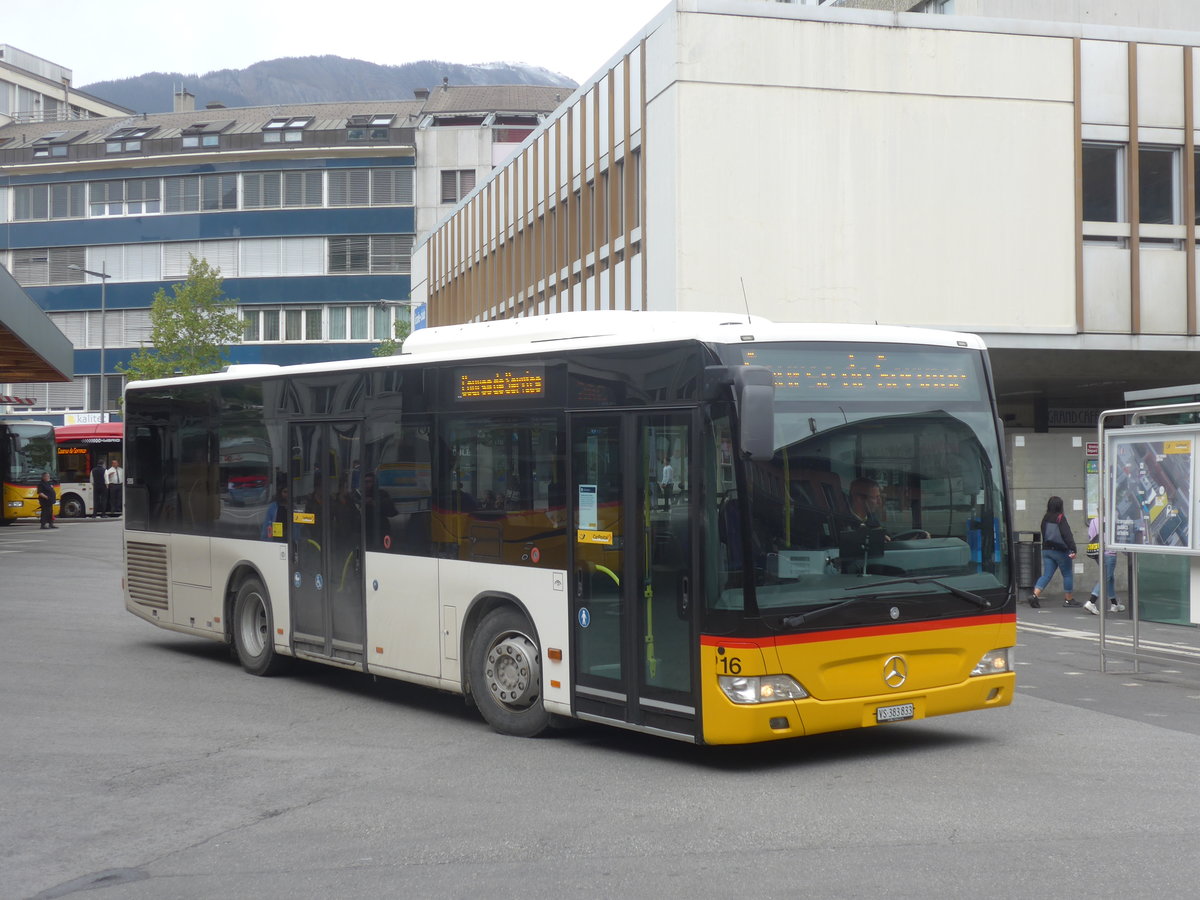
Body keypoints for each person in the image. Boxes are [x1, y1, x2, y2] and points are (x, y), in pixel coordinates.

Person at [1031, 496, 1076, 609]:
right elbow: (1067, 535)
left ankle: (1034, 595)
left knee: (1046, 575)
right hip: (1060, 550)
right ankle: (1068, 599)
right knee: (1067, 574)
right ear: (1060, 506)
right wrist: (1073, 548)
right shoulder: (1060, 517)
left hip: (1046, 550)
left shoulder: (1045, 518)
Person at [1086, 516, 1125, 615]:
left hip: (1098, 553)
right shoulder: (1113, 520)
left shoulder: (1094, 521)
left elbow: (1091, 536)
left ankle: (1114, 604)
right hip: (1110, 553)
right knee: (1105, 577)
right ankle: (1091, 601)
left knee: (1110, 578)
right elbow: (1118, 536)